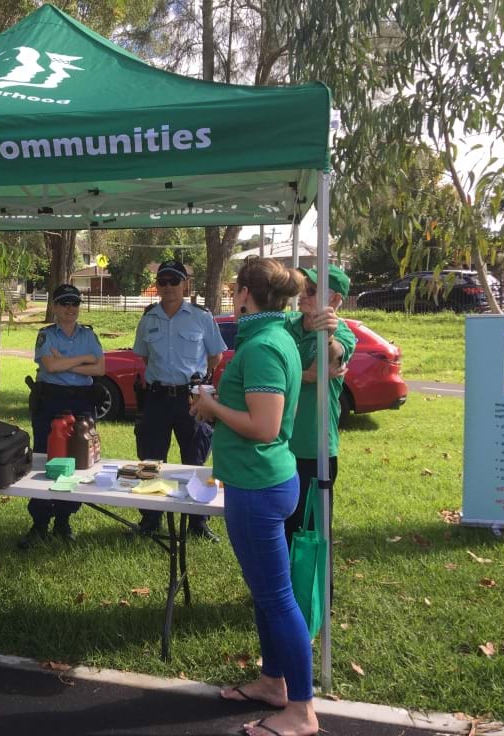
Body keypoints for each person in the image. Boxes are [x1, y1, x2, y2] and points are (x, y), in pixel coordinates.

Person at [190, 257, 317, 736]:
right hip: (263, 483)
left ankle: (301, 711)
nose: (231, 295)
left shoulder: (263, 345)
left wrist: (212, 407)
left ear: (244, 293)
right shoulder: (273, 336)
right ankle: (272, 683)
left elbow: (264, 427)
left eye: (234, 289)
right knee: (267, 597)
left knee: (277, 599)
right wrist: (216, 408)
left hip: (258, 487)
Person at [132, 260, 226, 537]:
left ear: (186, 284)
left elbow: (215, 356)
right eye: (163, 281)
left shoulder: (201, 317)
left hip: (191, 399)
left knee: (194, 461)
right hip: (158, 397)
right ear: (157, 285)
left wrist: (197, 382)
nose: (169, 287)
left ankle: (198, 523)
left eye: (175, 281)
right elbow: (145, 356)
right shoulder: (148, 318)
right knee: (150, 461)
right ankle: (150, 521)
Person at [20, 283, 105, 549]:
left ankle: (64, 520)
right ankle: (40, 522)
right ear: (55, 307)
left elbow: (100, 368)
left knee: (78, 460)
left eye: (75, 303)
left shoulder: (89, 334)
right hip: (51, 399)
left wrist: (66, 363)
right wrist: (84, 361)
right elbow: (50, 366)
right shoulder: (46, 334)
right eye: (65, 303)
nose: (71, 309)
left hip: (82, 401)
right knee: (47, 458)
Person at [284, 266, 356, 566]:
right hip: (279, 446)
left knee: (313, 532)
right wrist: (305, 375)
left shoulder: (342, 334)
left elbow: (337, 355)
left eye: (312, 290)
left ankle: (315, 602)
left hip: (315, 451)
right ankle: (282, 598)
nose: (303, 293)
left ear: (335, 299)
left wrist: (327, 337)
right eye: (303, 286)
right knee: (282, 528)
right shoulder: (287, 324)